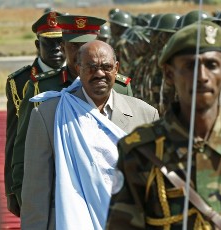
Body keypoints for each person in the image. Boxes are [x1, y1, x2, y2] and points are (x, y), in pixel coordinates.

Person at [106, 21, 221, 229]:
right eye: (190, 66)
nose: (202, 77)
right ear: (169, 74)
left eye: (211, 65)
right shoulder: (139, 151)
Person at [21, 40, 159, 229]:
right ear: (78, 68)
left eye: (106, 67)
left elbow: (154, 186)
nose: (99, 73)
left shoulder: (145, 115)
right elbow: (35, 191)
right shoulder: (49, 115)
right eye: (91, 67)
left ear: (116, 68)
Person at [11, 14, 132, 211]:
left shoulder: (119, 87)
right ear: (63, 46)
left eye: (87, 45)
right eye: (74, 46)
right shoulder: (43, 87)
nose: (80, 52)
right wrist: (18, 192)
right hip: (61, 194)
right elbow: (23, 144)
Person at [4, 10, 65, 217]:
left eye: (61, 42)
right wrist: (12, 188)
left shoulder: (79, 75)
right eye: (49, 43)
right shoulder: (20, 82)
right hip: (35, 170)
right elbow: (14, 138)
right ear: (38, 45)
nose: (57, 48)